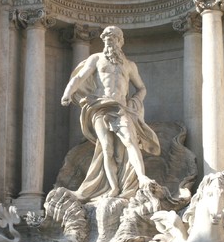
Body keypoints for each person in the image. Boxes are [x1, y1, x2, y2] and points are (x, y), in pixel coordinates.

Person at [61, 26, 160, 201]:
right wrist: (67, 93)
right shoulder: (96, 59)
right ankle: (114, 187)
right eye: (106, 38)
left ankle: (142, 178)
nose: (109, 41)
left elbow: (142, 88)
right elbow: (79, 78)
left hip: (120, 108)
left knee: (130, 141)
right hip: (99, 106)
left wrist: (135, 101)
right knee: (106, 148)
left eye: (113, 38)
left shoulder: (129, 66)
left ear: (120, 41)